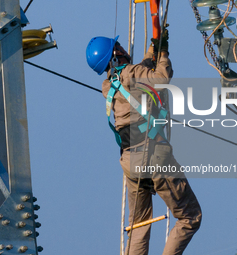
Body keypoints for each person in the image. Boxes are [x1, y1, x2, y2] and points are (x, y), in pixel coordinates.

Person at [86, 31, 202, 255]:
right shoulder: (132, 73)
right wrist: (164, 53)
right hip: (153, 155)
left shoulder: (108, 86)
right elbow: (160, 79)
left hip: (130, 162)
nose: (122, 47)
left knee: (139, 226)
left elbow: (139, 72)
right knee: (189, 216)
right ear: (115, 55)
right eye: (118, 46)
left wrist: (154, 46)